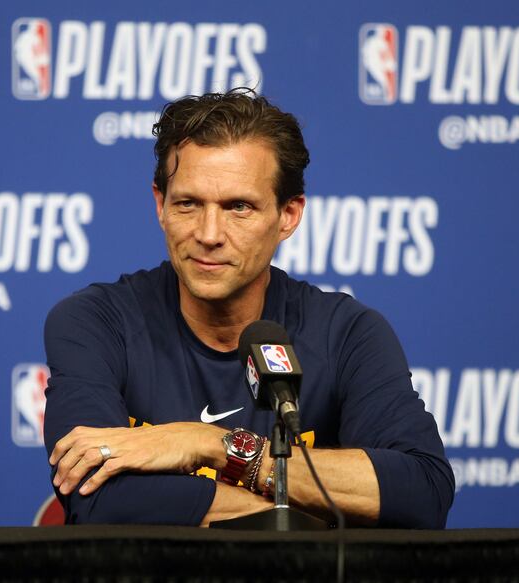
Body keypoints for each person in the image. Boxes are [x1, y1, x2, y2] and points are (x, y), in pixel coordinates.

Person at [43, 89, 454, 528]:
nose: (209, 233)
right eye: (188, 204)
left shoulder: (346, 333)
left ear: (288, 215)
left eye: (239, 207)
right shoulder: (96, 322)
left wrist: (210, 444)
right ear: (160, 204)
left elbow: (421, 492)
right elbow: (97, 497)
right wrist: (293, 519)